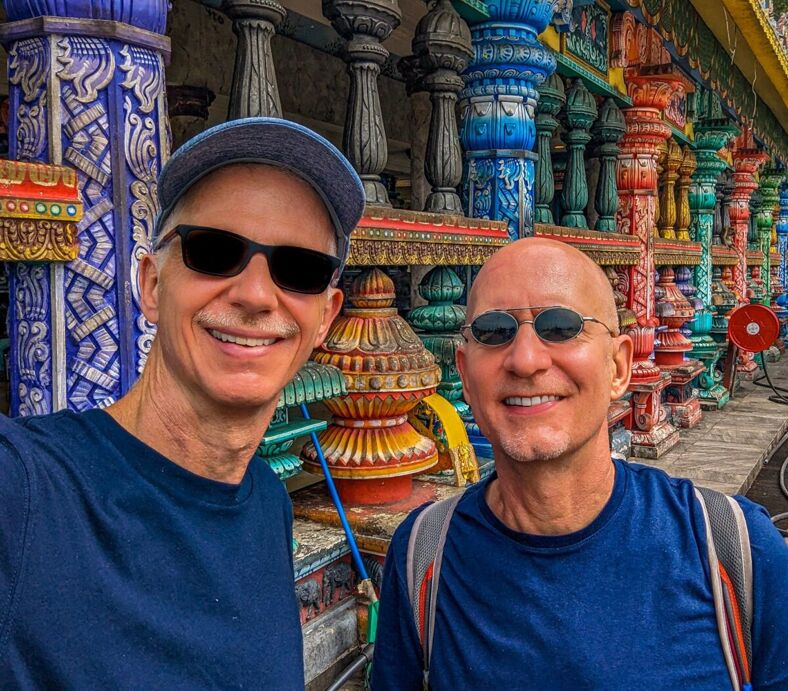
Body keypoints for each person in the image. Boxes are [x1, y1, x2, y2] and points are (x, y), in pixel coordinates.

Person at [0, 118, 364, 689]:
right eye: (214, 251)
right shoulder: (26, 491)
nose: (254, 294)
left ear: (326, 315)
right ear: (150, 284)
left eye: (300, 270)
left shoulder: (267, 505)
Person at [371, 237, 788, 690]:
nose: (526, 360)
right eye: (495, 331)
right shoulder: (423, 555)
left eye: (561, 327)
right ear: (465, 374)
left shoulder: (734, 548)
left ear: (618, 367)